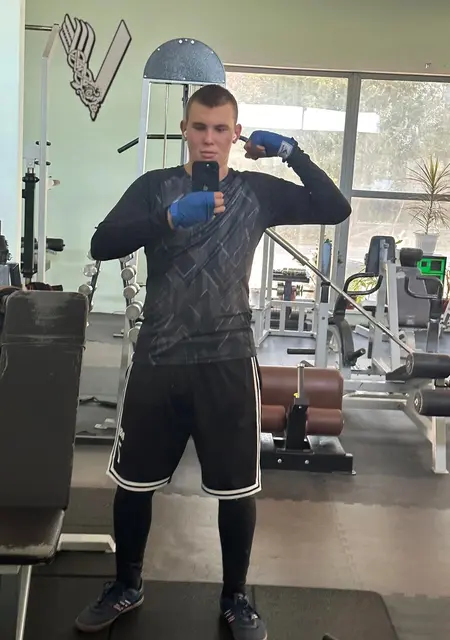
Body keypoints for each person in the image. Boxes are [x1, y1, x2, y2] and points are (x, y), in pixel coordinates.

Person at [75, 84, 351, 639]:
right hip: (160, 357)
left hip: (227, 360)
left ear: (236, 133)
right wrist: (167, 219)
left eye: (220, 129)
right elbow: (102, 244)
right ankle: (126, 584)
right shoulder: (154, 188)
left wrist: (291, 152)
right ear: (185, 129)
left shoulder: (256, 192)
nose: (209, 139)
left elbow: (335, 208)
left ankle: (235, 597)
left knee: (236, 490)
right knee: (134, 484)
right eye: (199, 127)